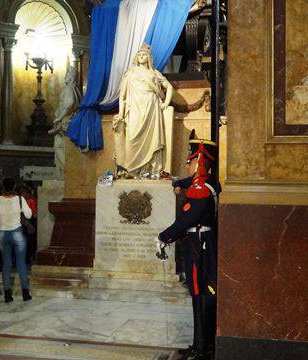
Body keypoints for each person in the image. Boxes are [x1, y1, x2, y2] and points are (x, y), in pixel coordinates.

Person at [156, 130, 219, 360]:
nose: (189, 163)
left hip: (199, 245)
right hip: (200, 243)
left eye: (192, 160)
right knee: (197, 295)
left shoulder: (201, 189)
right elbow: (189, 182)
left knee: (201, 295)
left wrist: (164, 236)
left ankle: (203, 349)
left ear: (200, 161)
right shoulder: (204, 183)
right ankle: (198, 344)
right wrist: (176, 182)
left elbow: (186, 220)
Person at [113, 43, 173, 178]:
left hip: (151, 110)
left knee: (152, 140)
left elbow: (169, 88)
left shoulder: (154, 73)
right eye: (139, 54)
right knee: (132, 137)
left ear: (149, 57)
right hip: (134, 109)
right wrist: (121, 114)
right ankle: (130, 171)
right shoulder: (130, 73)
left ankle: (149, 170)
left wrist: (166, 103)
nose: (141, 56)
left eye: (144, 54)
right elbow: (122, 97)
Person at [0, 177, 33, 303]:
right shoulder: (20, 199)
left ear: (3, 187)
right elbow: (29, 215)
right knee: (21, 264)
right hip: (17, 233)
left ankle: (7, 295)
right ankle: (25, 293)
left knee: (6, 264)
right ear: (15, 186)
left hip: (3, 233)